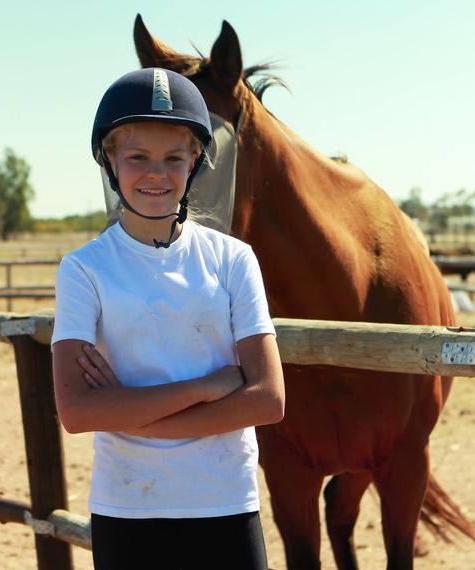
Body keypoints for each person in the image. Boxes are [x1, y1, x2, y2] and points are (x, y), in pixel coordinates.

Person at [51, 68, 286, 569]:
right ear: (109, 160)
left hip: (225, 503)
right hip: (129, 508)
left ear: (194, 162)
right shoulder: (84, 270)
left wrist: (132, 413)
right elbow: (77, 412)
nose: (156, 173)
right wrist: (210, 386)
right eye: (137, 157)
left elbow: (268, 400)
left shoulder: (233, 260)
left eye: (173, 158)